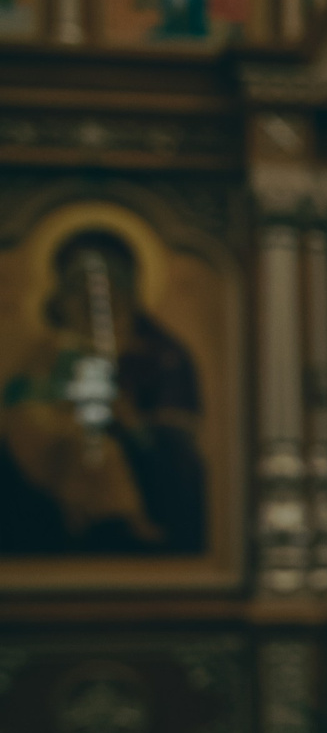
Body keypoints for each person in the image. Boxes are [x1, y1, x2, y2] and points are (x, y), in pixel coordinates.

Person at [0, 228, 207, 556]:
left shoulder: (161, 356)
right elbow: (23, 398)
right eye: (78, 294)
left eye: (108, 295)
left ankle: (126, 517)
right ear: (62, 300)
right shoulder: (55, 348)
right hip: (50, 439)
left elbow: (173, 445)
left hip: (123, 457)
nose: (93, 307)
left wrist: (131, 424)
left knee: (104, 457)